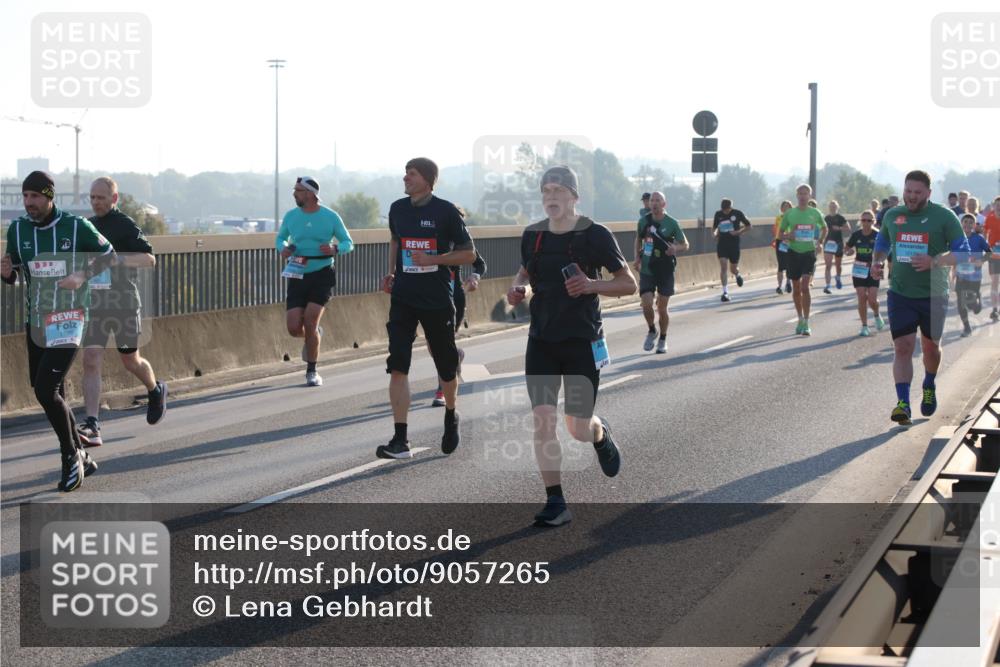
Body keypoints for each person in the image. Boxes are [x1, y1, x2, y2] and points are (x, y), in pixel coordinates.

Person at [506, 165, 636, 526]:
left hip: (581, 339)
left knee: (577, 428)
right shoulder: (533, 235)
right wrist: (519, 289)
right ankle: (556, 501)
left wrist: (591, 286)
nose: (551, 197)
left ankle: (599, 432)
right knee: (543, 420)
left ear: (574, 197)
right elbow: (526, 271)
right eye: (546, 191)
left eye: (559, 191)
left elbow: (629, 283)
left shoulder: (595, 234)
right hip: (541, 340)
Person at [1, 171, 115, 492]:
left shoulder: (76, 226)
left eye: (35, 196)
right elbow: (15, 275)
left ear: (49, 197)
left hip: (69, 317)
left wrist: (81, 276)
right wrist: (6, 274)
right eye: (25, 196)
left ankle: (70, 457)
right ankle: (81, 455)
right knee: (53, 393)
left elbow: (109, 255)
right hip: (36, 321)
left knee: (44, 388)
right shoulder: (18, 229)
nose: (29, 202)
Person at [379, 158, 476, 459]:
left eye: (412, 174)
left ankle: (451, 414)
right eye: (405, 173)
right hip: (403, 298)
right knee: (398, 364)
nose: (405, 178)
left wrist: (435, 260)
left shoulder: (445, 211)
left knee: (445, 366)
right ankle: (400, 440)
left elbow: (468, 254)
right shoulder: (397, 209)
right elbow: (395, 240)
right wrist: (391, 272)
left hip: (436, 299)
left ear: (427, 180)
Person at [870, 170, 968, 425]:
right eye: (908, 191)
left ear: (928, 193)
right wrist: (877, 262)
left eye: (917, 192)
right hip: (900, 292)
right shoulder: (893, 215)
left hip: (934, 294)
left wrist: (934, 261)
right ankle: (903, 404)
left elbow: (964, 253)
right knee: (902, 346)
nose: (911, 196)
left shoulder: (944, 216)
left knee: (930, 347)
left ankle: (929, 383)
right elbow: (882, 243)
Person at [78, 177, 166, 447]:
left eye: (101, 198)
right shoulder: (87, 226)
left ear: (114, 198)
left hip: (124, 302)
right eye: (92, 197)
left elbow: (149, 259)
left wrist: (116, 259)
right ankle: (92, 423)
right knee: (91, 359)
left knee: (130, 360)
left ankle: (155, 389)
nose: (95, 202)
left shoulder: (124, 224)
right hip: (95, 303)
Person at [275, 176, 354, 387]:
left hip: (322, 272)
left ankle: (312, 370)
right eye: (294, 190)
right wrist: (283, 248)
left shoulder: (330, 216)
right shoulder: (291, 216)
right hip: (297, 271)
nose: (294, 194)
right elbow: (280, 238)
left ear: (310, 194)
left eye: (298, 190)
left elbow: (348, 242)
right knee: (294, 327)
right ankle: (314, 336)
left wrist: (336, 248)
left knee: (310, 321)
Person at [632, 191, 689, 353]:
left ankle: (663, 338)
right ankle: (652, 330)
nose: (654, 203)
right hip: (647, 267)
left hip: (665, 269)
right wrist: (637, 257)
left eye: (658, 200)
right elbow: (638, 239)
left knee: (662, 308)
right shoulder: (643, 221)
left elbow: (685, 244)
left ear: (664, 204)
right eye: (652, 200)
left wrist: (675, 248)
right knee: (646, 303)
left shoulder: (672, 223)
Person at [431, 248, 487, 407]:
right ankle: (456, 355)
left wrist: (474, 277)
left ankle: (441, 390)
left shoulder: (457, 238)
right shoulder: (425, 237)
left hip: (453, 300)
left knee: (442, 346)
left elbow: (480, 264)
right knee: (433, 345)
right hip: (429, 298)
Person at [780, 184, 827, 335]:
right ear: (797, 195)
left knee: (805, 287)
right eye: (800, 193)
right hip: (793, 252)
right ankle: (799, 318)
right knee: (796, 288)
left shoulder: (815, 212)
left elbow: (824, 228)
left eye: (805, 193)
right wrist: (789, 236)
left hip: (808, 253)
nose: (802, 196)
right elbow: (780, 234)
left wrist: (820, 242)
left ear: (809, 196)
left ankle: (806, 322)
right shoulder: (790, 213)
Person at [844, 210, 885, 336]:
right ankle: (864, 326)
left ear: (873, 221)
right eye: (863, 220)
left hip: (874, 269)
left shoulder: (878, 235)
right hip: (859, 269)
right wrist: (849, 252)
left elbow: (885, 250)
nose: (866, 223)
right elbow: (847, 248)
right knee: (861, 297)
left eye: (869, 220)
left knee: (872, 299)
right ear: (860, 221)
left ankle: (877, 315)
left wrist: (879, 263)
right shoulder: (856, 235)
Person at [954, 213, 991, 337]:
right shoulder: (956, 238)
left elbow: (989, 252)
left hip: (975, 276)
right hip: (960, 275)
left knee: (972, 305)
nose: (968, 224)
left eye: (971, 223)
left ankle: (976, 300)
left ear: (974, 225)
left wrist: (982, 260)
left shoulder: (979, 238)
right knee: (960, 301)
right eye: (965, 222)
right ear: (961, 224)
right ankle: (967, 327)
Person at [712, 198, 751, 302]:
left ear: (730, 207)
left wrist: (738, 232)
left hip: (734, 244)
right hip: (722, 244)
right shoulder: (718, 214)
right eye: (723, 210)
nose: (725, 212)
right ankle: (725, 292)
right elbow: (714, 227)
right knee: (723, 267)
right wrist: (714, 234)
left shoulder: (737, 213)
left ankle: (737, 274)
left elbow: (749, 226)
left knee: (733, 269)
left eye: (727, 210)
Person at [822, 200, 851, 293]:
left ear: (837, 207)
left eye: (834, 206)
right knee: (828, 265)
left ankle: (838, 277)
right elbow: (821, 228)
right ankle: (828, 285)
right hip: (828, 243)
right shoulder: (826, 218)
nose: (832, 208)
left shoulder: (840, 218)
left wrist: (839, 228)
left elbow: (848, 228)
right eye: (831, 206)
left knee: (838, 265)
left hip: (838, 243)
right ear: (829, 208)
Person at [983, 196, 1000, 321]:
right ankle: (995, 309)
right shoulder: (990, 217)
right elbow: (985, 232)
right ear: (993, 206)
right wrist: (986, 245)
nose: (999, 207)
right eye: (997, 205)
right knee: (994, 281)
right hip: (994, 255)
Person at [773, 200, 793, 294]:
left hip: (790, 240)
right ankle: (779, 286)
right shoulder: (778, 218)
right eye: (784, 206)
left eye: (788, 206)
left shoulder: (794, 217)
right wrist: (776, 237)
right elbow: (776, 229)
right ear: (781, 208)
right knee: (781, 264)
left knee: (789, 263)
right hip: (780, 241)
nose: (786, 208)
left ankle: (788, 282)